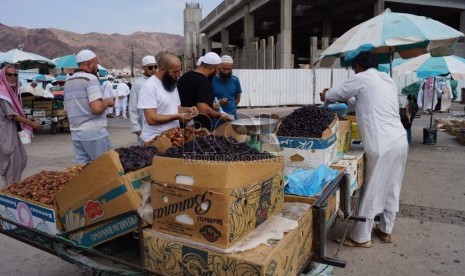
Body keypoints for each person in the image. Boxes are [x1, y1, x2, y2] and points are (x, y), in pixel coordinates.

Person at [320, 51, 408, 248]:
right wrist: (342, 100)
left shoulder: (362, 78)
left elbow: (336, 93)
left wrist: (327, 95)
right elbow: (360, 100)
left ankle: (360, 237)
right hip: (400, 141)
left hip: (382, 144)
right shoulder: (386, 80)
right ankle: (386, 230)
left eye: (354, 69)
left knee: (372, 188)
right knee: (392, 187)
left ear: (358, 66)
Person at [63, 49, 115, 164]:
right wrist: (107, 102)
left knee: (83, 171)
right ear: (90, 63)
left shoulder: (68, 82)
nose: (97, 66)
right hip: (94, 133)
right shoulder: (90, 79)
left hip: (76, 134)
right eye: (96, 63)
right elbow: (96, 108)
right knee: (107, 167)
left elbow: (67, 112)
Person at [137, 53, 198, 143]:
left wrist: (188, 110)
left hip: (173, 137)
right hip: (155, 140)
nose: (177, 75)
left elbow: (176, 108)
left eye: (179, 71)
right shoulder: (149, 86)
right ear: (163, 70)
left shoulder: (171, 83)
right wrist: (177, 116)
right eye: (174, 72)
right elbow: (151, 119)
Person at [0, 65, 42, 188]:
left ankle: (13, 190)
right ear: (3, 76)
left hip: (12, 132)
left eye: (15, 75)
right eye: (9, 75)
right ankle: (9, 197)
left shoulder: (9, 92)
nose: (13, 77)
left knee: (20, 159)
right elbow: (12, 115)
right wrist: (31, 124)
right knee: (11, 163)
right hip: (5, 133)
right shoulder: (2, 93)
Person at [177, 52, 232, 131]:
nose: (217, 72)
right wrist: (219, 115)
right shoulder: (203, 81)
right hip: (198, 128)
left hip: (182, 126)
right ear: (212, 67)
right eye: (217, 69)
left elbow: (192, 100)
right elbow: (203, 108)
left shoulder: (185, 76)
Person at [129, 55, 157, 142]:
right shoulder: (138, 84)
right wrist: (137, 129)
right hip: (144, 127)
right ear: (143, 68)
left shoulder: (159, 82)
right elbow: (132, 107)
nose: (153, 69)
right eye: (150, 67)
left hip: (158, 125)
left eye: (155, 67)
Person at [211, 55, 242, 122]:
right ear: (219, 67)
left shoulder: (235, 80)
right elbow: (207, 101)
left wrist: (231, 107)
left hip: (232, 118)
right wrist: (219, 102)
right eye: (224, 69)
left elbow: (238, 99)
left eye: (229, 69)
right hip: (216, 119)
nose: (226, 72)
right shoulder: (211, 80)